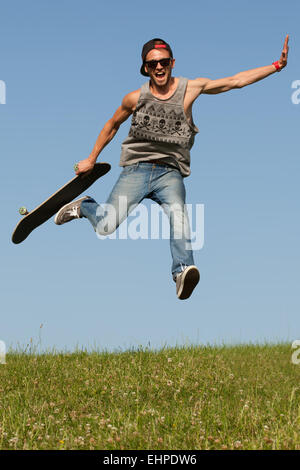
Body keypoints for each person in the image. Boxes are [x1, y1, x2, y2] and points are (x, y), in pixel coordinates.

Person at [54, 36, 289, 300]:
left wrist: (276, 66)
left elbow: (235, 81)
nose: (159, 67)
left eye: (164, 62)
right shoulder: (134, 98)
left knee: (179, 215)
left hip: (170, 172)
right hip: (136, 169)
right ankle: (85, 206)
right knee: (106, 226)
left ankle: (182, 270)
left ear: (172, 63)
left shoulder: (191, 89)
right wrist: (91, 158)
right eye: (152, 64)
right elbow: (111, 125)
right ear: (145, 68)